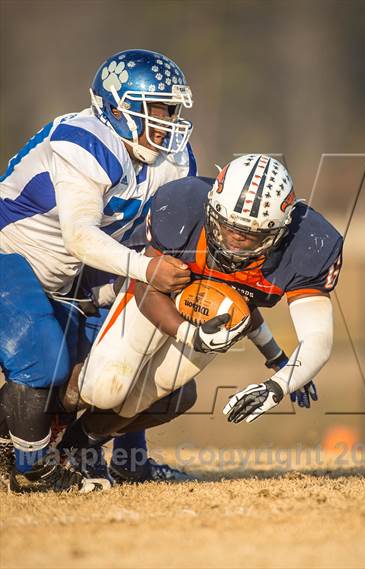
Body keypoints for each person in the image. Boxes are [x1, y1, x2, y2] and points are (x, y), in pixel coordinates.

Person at [58, 154, 341, 468]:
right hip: (157, 298)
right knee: (104, 386)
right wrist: (188, 333)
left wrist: (278, 383)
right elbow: (147, 286)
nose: (234, 244)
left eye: (250, 237)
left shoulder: (310, 244)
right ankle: (36, 430)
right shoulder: (183, 206)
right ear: (212, 207)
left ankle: (71, 454)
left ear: (279, 231)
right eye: (230, 228)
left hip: (212, 322)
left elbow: (316, 338)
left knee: (141, 397)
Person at [0, 48, 195, 493]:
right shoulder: (83, 139)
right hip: (11, 257)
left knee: (147, 360)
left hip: (70, 278)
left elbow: (168, 238)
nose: (168, 122)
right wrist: (146, 269)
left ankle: (124, 461)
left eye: (172, 110)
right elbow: (80, 237)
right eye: (157, 110)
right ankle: (34, 471)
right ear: (118, 107)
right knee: (43, 357)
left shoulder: (171, 160)